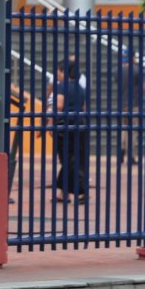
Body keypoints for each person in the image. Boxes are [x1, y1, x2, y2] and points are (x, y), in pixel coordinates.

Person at [51, 58, 89, 204]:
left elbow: (59, 106)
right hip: (79, 126)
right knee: (74, 159)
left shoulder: (62, 86)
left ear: (63, 72)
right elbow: (84, 108)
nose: (57, 74)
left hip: (64, 127)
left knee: (68, 160)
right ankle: (63, 192)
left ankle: (81, 192)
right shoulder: (81, 88)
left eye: (58, 71)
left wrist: (51, 122)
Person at [117, 48, 144, 164]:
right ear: (133, 57)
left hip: (122, 104)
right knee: (132, 130)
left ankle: (121, 150)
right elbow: (143, 87)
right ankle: (131, 156)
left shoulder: (117, 70)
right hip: (134, 104)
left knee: (124, 128)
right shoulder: (137, 70)